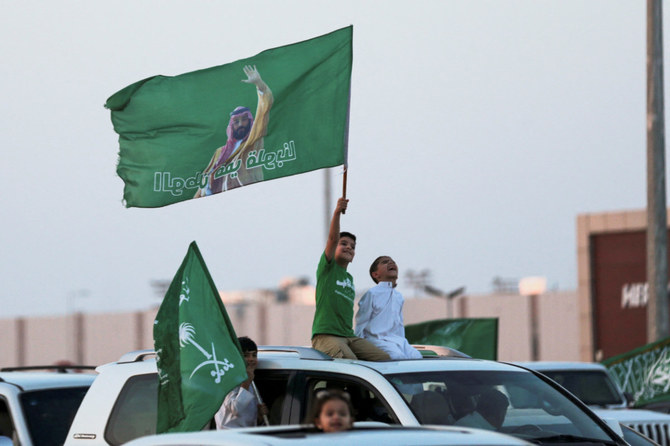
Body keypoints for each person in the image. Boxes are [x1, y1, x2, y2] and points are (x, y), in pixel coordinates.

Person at [311, 197, 390, 361]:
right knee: (350, 364)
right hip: (326, 336)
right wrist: (337, 212)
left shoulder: (349, 278)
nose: (349, 247)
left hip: (349, 337)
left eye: (352, 247)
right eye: (344, 243)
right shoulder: (328, 268)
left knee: (384, 359)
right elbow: (332, 239)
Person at [194, 65, 273, 197]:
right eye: (236, 121)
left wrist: (260, 85)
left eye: (244, 120)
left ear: (250, 121)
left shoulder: (253, 141)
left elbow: (264, 110)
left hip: (249, 196)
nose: (241, 124)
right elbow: (204, 179)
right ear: (231, 126)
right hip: (221, 203)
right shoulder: (219, 152)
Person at [355, 256, 423, 360]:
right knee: (396, 357)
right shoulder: (372, 293)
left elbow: (399, 325)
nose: (391, 263)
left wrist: (402, 342)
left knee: (417, 357)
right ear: (375, 274)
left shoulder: (398, 296)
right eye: (385, 262)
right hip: (376, 340)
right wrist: (358, 346)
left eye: (393, 262)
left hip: (398, 341)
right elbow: (361, 321)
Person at [214, 336, 268, 428]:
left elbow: (246, 420)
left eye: (254, 355)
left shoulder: (251, 383)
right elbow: (236, 409)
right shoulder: (228, 381)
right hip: (231, 440)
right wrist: (246, 384)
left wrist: (259, 416)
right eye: (246, 355)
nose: (251, 359)